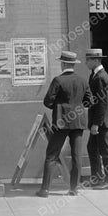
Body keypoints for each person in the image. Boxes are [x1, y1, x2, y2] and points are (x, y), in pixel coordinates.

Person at [36, 51, 92, 198]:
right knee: (76, 156)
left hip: (61, 122)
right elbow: (90, 101)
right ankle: (74, 189)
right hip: (78, 122)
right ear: (73, 64)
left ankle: (45, 190)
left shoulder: (58, 81)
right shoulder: (82, 80)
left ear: (64, 64)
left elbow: (47, 101)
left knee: (51, 155)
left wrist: (59, 106)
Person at [85, 48, 108, 190]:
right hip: (97, 121)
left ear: (96, 60)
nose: (86, 62)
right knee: (92, 148)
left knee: (105, 151)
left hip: (102, 122)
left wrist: (96, 124)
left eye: (88, 60)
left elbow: (103, 103)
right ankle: (97, 178)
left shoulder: (101, 77)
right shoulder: (94, 75)